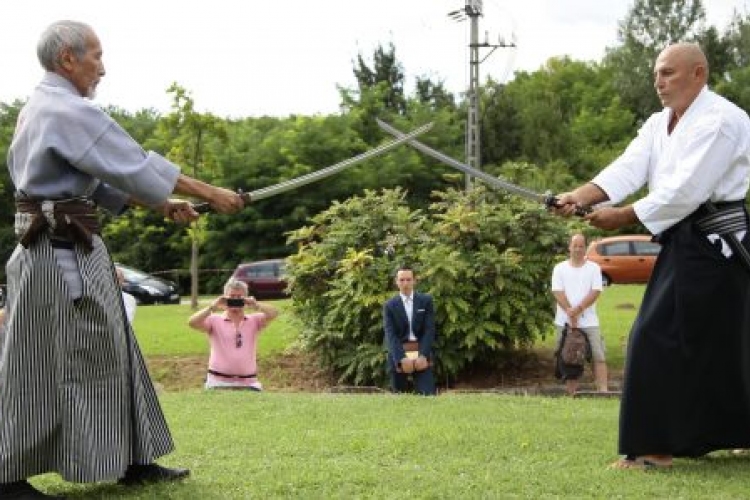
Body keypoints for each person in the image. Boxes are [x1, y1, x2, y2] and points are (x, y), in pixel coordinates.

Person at [1, 20, 245, 499]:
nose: (103, 68)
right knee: (38, 359)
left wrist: (161, 203)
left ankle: (132, 457)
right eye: (95, 55)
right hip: (55, 252)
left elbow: (97, 179)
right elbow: (135, 163)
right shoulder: (65, 108)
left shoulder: (44, 106)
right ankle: (5, 474)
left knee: (115, 347)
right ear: (66, 59)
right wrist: (211, 193)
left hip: (72, 247)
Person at [554, 42, 750, 469]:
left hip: (715, 243)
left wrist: (624, 216)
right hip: (687, 240)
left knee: (653, 337)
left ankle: (652, 448)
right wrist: (580, 196)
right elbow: (629, 166)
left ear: (698, 73)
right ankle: (737, 431)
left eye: (667, 73)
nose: (658, 82)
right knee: (720, 343)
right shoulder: (659, 123)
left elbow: (687, 190)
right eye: (656, 74)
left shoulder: (723, 121)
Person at [188, 280, 279, 391]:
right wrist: (212, 307)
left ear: (245, 299)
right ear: (225, 298)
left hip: (249, 382)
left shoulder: (254, 320)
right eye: (232, 296)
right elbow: (192, 322)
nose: (235, 300)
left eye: (239, 297)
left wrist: (256, 305)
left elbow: (274, 313)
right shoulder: (214, 320)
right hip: (217, 382)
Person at [551, 233, 608, 395]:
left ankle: (603, 390)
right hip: (565, 321)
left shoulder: (594, 268)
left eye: (581, 246)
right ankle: (572, 393)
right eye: (574, 245)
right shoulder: (559, 268)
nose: (578, 249)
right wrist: (571, 313)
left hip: (590, 321)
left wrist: (578, 310)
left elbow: (596, 291)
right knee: (569, 357)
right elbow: (557, 291)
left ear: (585, 248)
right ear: (569, 247)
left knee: (599, 356)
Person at [383, 265, 437, 396]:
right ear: (396, 282)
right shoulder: (389, 306)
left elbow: (429, 330)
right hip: (399, 352)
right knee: (399, 396)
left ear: (414, 281)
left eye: (408, 279)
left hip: (421, 351)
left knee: (428, 395)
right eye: (402, 280)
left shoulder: (426, 301)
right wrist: (401, 358)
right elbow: (390, 335)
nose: (405, 283)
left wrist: (423, 355)